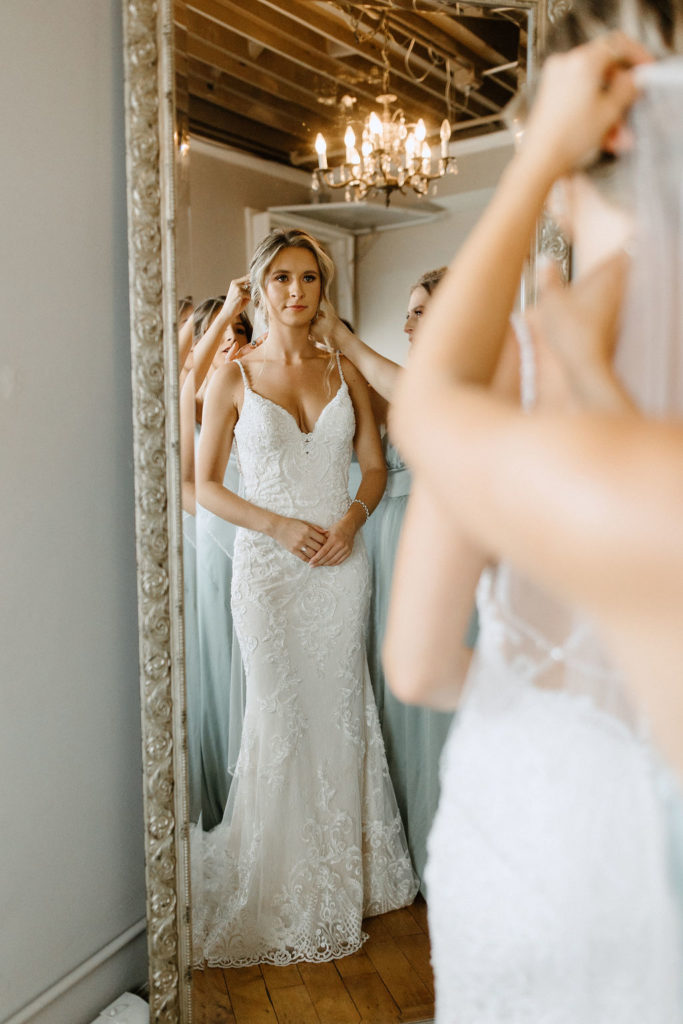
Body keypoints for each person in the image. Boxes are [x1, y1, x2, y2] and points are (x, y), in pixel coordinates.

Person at [385, 3, 683, 1021]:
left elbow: (418, 662)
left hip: (540, 830)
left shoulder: (522, 362)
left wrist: (549, 706)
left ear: (589, 126)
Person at [190, 228, 418, 967]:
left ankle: (347, 873)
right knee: (282, 716)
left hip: (340, 567)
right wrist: (277, 524)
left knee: (338, 715)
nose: (296, 292)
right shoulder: (233, 374)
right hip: (267, 570)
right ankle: (281, 879)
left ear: (324, 291)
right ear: (261, 287)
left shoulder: (343, 368)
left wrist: (351, 520)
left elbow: (376, 470)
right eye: (282, 278)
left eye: (309, 280)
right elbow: (202, 484)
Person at [307, 270, 468, 891]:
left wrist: (346, 342)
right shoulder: (396, 377)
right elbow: (363, 427)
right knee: (390, 694)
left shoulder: (466, 373)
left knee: (431, 704)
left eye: (420, 312)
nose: (407, 325)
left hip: (435, 542)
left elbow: (415, 409)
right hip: (385, 538)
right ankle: (397, 842)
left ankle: (449, 852)